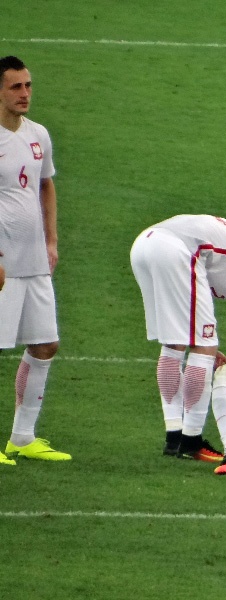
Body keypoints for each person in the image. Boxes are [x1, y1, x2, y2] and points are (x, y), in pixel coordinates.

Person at [130, 214, 226, 461]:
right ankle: (192, 440)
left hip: (144, 244)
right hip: (177, 249)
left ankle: (173, 437)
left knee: (174, 344)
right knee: (205, 345)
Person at [0, 56, 69, 465]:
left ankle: (22, 437)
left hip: (34, 260)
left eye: (28, 86)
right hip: (4, 261)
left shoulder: (38, 135)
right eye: (15, 87)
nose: (25, 94)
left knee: (45, 345)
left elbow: (46, 187)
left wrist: (52, 240)